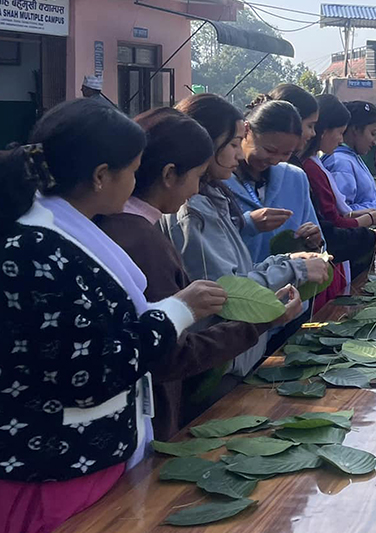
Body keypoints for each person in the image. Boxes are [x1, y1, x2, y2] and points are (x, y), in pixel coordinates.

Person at [0, 100, 225, 533]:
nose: (138, 182)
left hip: (80, 460)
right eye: (134, 170)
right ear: (102, 176)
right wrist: (179, 310)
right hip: (52, 472)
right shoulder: (36, 250)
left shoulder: (56, 232)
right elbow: (89, 371)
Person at [95, 108, 302, 440]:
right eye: (197, 175)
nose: (196, 189)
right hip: (153, 415)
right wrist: (262, 319)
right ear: (168, 174)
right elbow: (172, 353)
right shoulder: (144, 239)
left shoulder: (119, 227)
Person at [164, 94, 321, 383]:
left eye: (285, 155)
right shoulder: (192, 206)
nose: (238, 155)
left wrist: (307, 247)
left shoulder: (214, 194)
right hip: (220, 356)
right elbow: (226, 293)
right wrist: (292, 267)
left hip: (245, 342)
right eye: (234, 144)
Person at [299, 95, 376, 306]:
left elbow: (339, 212)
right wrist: (369, 219)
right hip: (331, 256)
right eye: (339, 132)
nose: (340, 139)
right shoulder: (320, 166)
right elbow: (332, 221)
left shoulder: (317, 164)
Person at [226, 98, 325, 262]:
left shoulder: (295, 178)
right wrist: (246, 225)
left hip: (289, 285)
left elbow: (319, 246)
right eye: (269, 150)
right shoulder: (219, 181)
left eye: (287, 154)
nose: (275, 160)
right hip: (238, 285)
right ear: (246, 131)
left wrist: (314, 242)